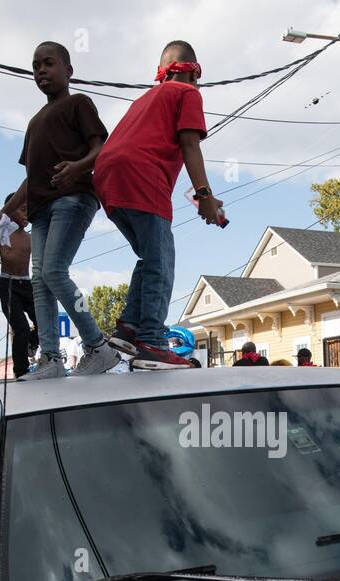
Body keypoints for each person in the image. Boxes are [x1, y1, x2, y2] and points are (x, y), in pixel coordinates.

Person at [95, 40, 224, 370]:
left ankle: (129, 327)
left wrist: (202, 197)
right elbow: (190, 144)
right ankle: (152, 342)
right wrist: (205, 195)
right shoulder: (187, 93)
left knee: (149, 255)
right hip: (140, 173)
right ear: (194, 71)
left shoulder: (144, 99)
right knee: (162, 260)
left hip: (108, 175)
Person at [0, 42, 114, 380]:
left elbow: (101, 148)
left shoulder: (78, 103)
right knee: (41, 282)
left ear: (68, 70)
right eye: (35, 66)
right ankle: (50, 359)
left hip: (73, 197)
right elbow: (29, 178)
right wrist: (5, 211)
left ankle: (97, 345)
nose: (41, 71)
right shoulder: (34, 123)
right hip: (42, 209)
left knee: (54, 272)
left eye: (48, 63)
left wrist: (78, 166)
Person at [0, 194, 37, 366]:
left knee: (43, 320)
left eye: (29, 211)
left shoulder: (31, 237)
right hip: (8, 284)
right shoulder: (2, 232)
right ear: (10, 210)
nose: (27, 215)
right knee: (21, 328)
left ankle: (32, 343)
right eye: (23, 210)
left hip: (27, 284)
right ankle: (21, 369)